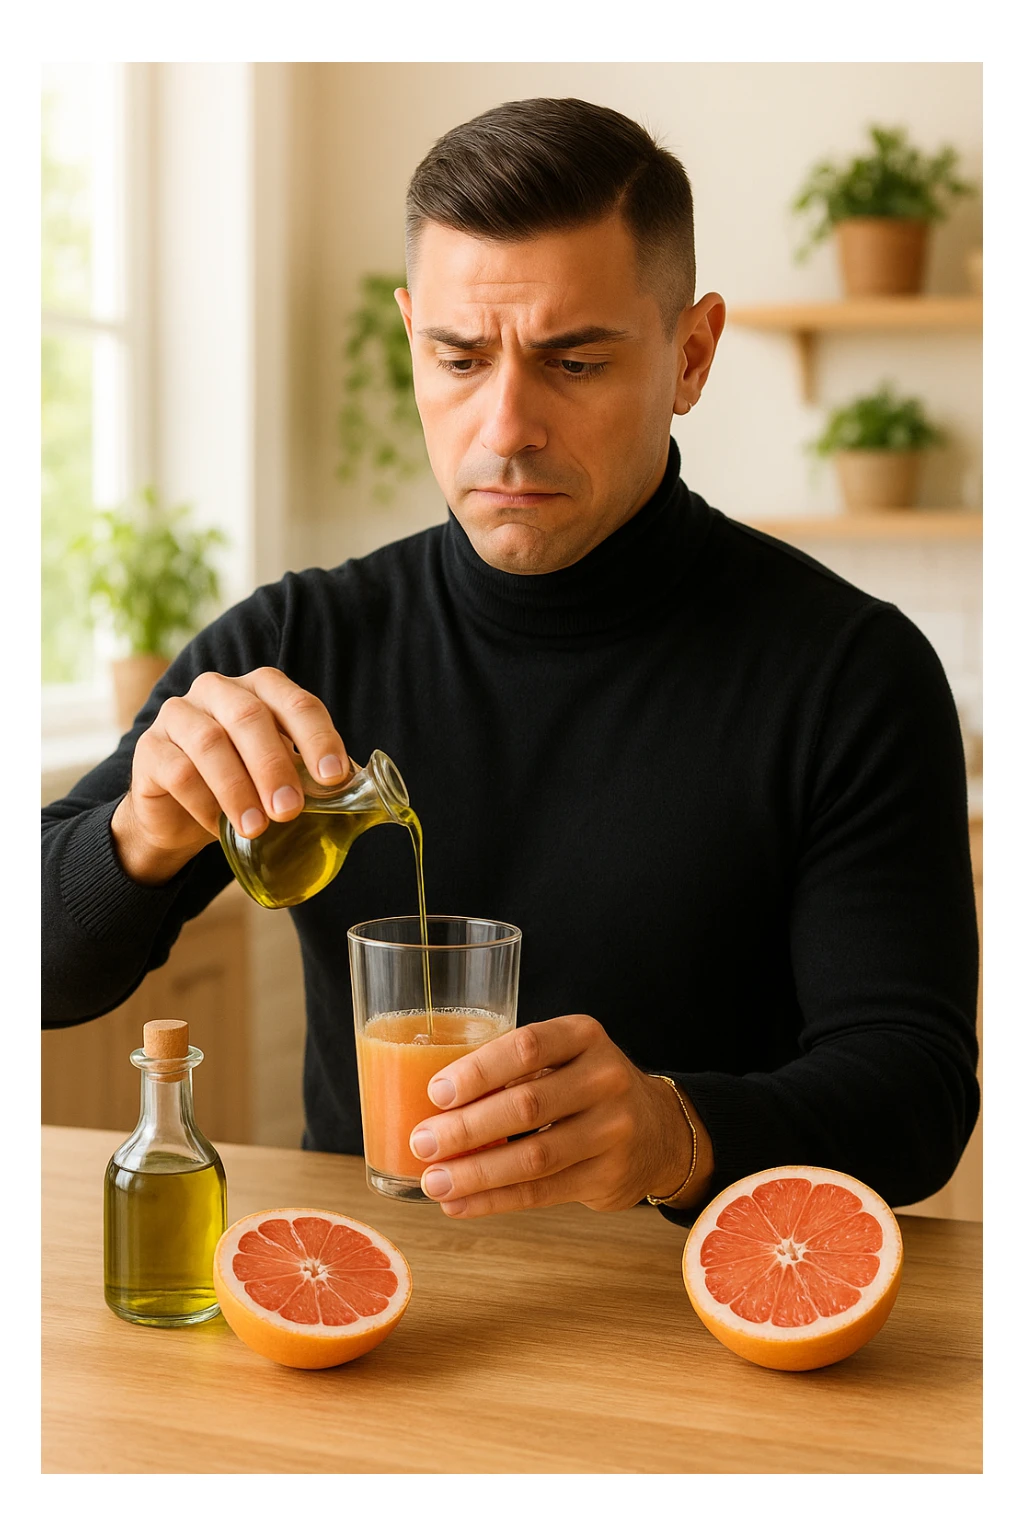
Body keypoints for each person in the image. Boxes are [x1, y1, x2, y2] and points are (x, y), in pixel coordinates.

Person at [42, 97, 978, 1227]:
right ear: (411, 341)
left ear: (691, 354)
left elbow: (916, 1092)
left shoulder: (851, 675)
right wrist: (136, 836)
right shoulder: (298, 645)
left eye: (574, 361)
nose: (505, 427)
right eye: (459, 356)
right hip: (368, 1312)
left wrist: (679, 1134)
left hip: (709, 1323)